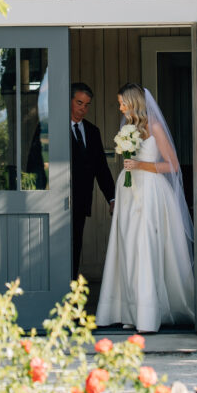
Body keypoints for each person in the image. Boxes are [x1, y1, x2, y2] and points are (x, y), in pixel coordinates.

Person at [96, 83, 195, 333]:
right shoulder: (128, 128)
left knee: (145, 246)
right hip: (128, 191)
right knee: (127, 247)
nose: (119, 108)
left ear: (134, 103)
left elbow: (172, 165)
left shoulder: (155, 127)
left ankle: (149, 314)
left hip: (150, 192)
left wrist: (141, 166)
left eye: (122, 103)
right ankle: (130, 310)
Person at [70, 82, 116, 278]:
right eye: (79, 102)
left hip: (80, 201)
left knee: (75, 246)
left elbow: (101, 169)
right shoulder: (50, 127)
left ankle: (70, 294)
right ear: (69, 100)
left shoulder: (92, 131)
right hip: (54, 201)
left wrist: (112, 198)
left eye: (87, 104)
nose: (83, 108)